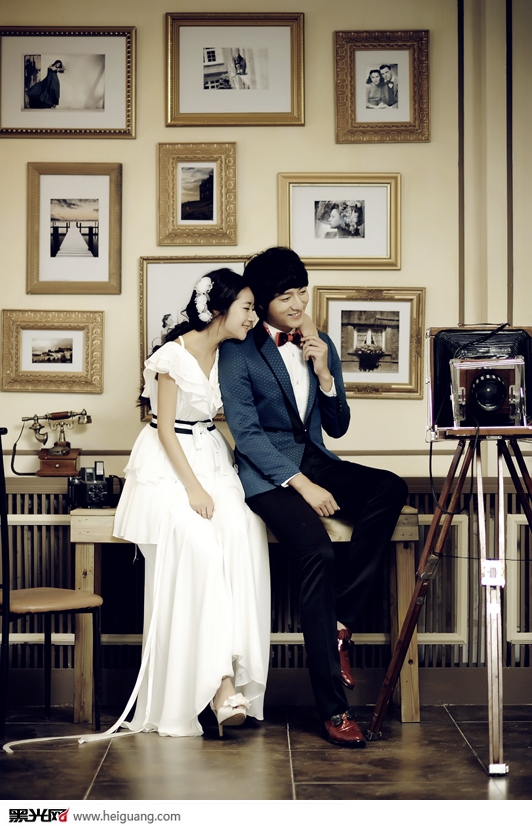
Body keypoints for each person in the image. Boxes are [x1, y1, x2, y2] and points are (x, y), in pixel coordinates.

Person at [218, 247, 408, 748]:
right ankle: (334, 710)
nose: (298, 303)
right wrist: (302, 484)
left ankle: (342, 621)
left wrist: (325, 373)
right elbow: (246, 434)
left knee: (391, 487)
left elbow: (337, 426)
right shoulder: (238, 350)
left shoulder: (318, 341)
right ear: (262, 301)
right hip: (267, 475)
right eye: (286, 296)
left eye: (302, 292)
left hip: (316, 457)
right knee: (318, 553)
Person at [90, 269, 271, 740]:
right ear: (219, 310)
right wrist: (193, 489)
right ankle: (219, 686)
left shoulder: (231, 354)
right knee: (201, 551)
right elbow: (165, 429)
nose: (253, 317)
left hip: (212, 454)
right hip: (169, 464)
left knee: (243, 533)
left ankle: (238, 671)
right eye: (247, 308)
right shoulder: (173, 355)